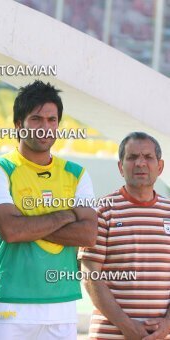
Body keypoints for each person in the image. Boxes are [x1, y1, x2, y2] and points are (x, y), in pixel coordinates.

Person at [0, 80, 97, 340]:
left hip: (62, 305)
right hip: (8, 302)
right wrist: (66, 215)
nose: (45, 127)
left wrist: (27, 224)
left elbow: (88, 234)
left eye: (52, 120)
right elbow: (11, 230)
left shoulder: (77, 174)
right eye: (36, 119)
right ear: (19, 125)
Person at [80, 132, 170, 340]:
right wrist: (125, 325)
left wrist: (167, 325)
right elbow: (90, 274)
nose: (140, 163)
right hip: (109, 335)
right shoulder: (102, 210)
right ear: (121, 167)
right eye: (132, 157)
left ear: (160, 166)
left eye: (148, 157)